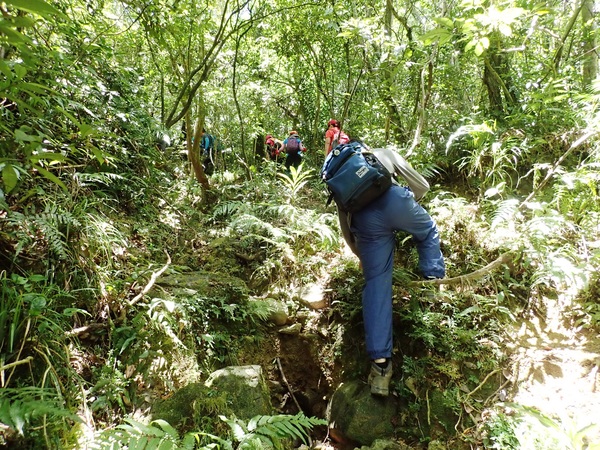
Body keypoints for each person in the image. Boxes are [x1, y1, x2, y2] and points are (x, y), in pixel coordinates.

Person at [331, 143, 445, 397]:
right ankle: (432, 283)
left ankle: (381, 369)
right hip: (397, 202)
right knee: (428, 231)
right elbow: (422, 186)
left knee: (376, 284)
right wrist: (406, 208)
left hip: (365, 224)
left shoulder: (339, 179)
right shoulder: (381, 154)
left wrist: (359, 253)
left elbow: (345, 225)